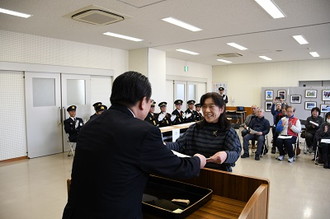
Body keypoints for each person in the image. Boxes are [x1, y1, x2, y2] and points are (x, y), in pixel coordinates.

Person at [62, 71, 206, 219]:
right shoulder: (143, 131)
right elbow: (177, 168)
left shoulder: (91, 123)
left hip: (77, 212)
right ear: (143, 102)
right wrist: (198, 161)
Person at [166, 92, 241, 172]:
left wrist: (225, 155)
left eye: (211, 106)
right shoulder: (195, 128)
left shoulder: (228, 131)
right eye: (204, 107)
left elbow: (235, 152)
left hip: (218, 174)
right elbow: (179, 145)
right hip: (194, 171)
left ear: (221, 109)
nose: (207, 110)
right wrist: (163, 145)